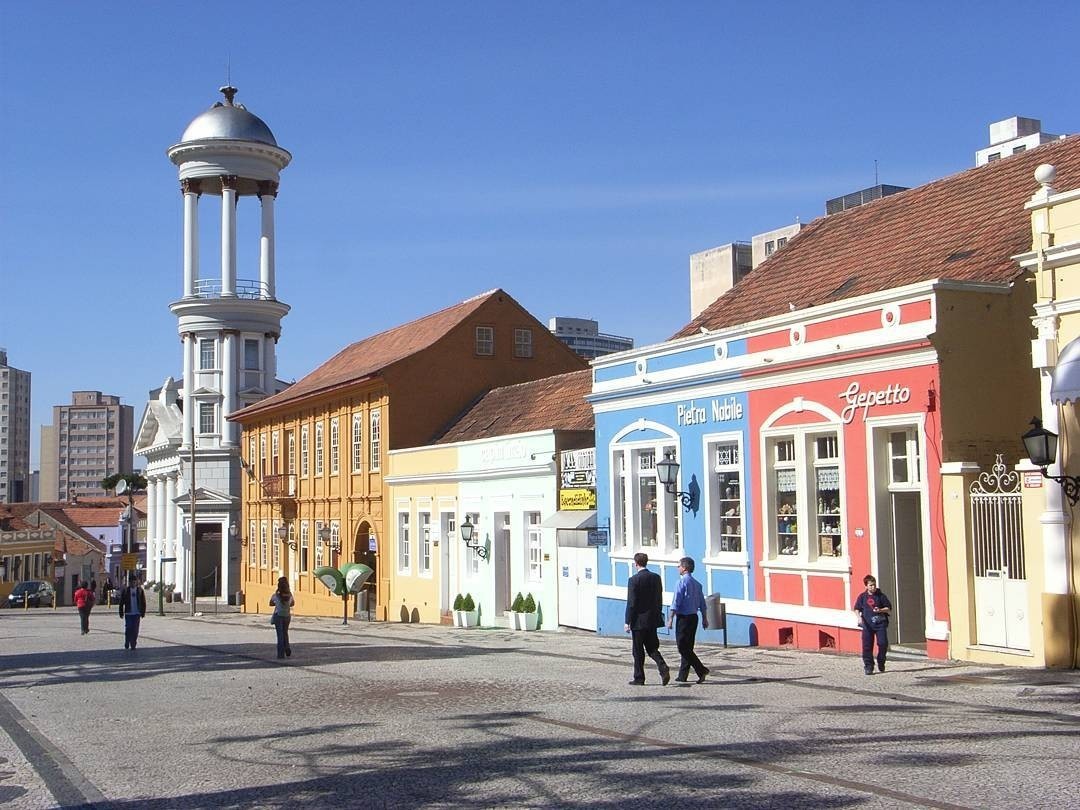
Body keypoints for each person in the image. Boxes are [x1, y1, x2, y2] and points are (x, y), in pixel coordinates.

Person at [624, 552, 670, 686]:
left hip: (638, 621)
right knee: (652, 647)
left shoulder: (633, 580)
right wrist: (657, 613)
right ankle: (662, 666)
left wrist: (627, 621)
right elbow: (659, 599)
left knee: (637, 650)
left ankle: (639, 677)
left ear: (636, 563)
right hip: (652, 619)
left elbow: (631, 603)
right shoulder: (656, 578)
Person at [666, 557, 710, 683]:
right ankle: (683, 674)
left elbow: (676, 602)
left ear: (684, 568)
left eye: (679, 565)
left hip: (684, 618)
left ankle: (701, 669)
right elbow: (702, 603)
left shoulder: (681, 583)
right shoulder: (697, 584)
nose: (677, 568)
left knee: (682, 647)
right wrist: (705, 618)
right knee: (688, 646)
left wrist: (670, 619)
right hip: (694, 617)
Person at [854, 574, 892, 674]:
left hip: (880, 624)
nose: (873, 587)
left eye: (874, 585)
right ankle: (868, 666)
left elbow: (888, 608)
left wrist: (880, 610)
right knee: (867, 646)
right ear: (866, 586)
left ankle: (881, 661)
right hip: (867, 625)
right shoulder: (862, 597)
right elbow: (857, 609)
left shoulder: (881, 596)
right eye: (870, 585)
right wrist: (859, 619)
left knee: (883, 643)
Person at [269, 576, 295, 659]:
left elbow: (270, 603)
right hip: (287, 615)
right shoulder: (289, 595)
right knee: (285, 633)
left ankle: (280, 654)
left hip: (278, 615)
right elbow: (292, 603)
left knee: (280, 635)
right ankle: (287, 647)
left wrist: (277, 603)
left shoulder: (277, 595)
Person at [118, 575, 146, 651]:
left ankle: (133, 643)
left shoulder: (140, 590)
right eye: (131, 582)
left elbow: (143, 602)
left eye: (134, 582)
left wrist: (143, 612)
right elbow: (121, 602)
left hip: (137, 613)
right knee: (128, 628)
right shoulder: (126, 590)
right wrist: (121, 612)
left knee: (135, 629)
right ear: (129, 583)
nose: (133, 583)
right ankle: (127, 641)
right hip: (128, 613)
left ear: (136, 582)